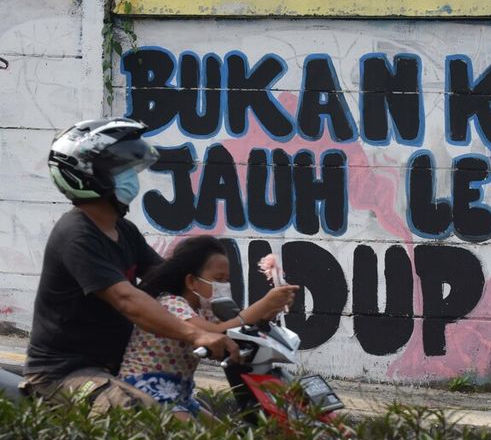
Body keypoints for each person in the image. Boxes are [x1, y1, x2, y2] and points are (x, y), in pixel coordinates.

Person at [21, 118, 238, 413]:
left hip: (113, 369)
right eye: (120, 169)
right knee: (144, 413)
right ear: (89, 176)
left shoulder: (124, 231)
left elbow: (168, 283)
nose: (130, 177)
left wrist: (233, 323)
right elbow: (127, 300)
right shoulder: (76, 234)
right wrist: (196, 334)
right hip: (63, 374)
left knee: (210, 432)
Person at [118, 236, 297, 419]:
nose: (223, 286)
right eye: (218, 279)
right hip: (146, 390)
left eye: (226, 280)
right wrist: (264, 304)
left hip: (182, 395)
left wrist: (267, 315)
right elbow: (215, 333)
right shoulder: (171, 304)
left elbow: (235, 331)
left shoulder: (205, 311)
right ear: (191, 282)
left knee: (226, 439)